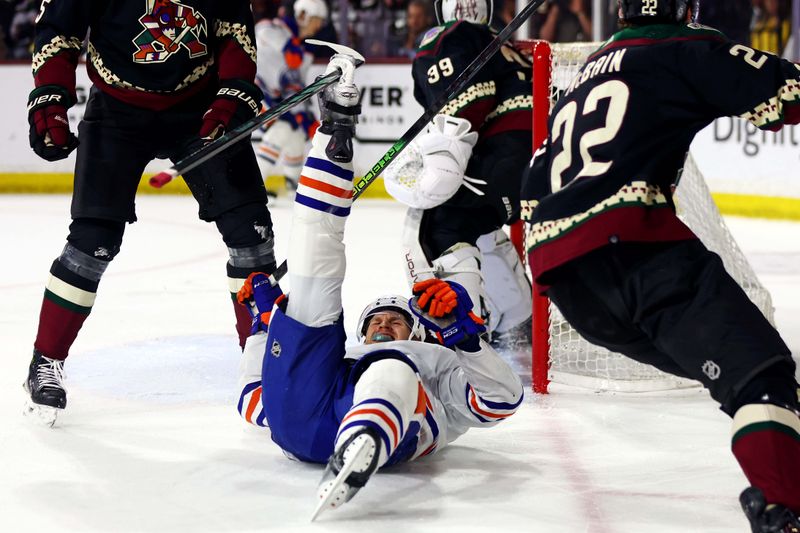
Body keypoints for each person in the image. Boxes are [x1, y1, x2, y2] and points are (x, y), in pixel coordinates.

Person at [521, 1, 800, 530]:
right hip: (638, 255)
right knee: (760, 376)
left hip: (570, 287)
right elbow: (787, 95)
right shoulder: (685, 48)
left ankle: (782, 460)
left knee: (740, 381)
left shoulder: (585, 74)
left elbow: (533, 189)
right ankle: (785, 506)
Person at [235, 51, 523, 517]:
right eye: (378, 322)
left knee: (393, 371)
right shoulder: (344, 355)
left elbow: (501, 402)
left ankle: (359, 446)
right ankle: (335, 127)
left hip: (384, 427)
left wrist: (464, 340)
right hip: (303, 417)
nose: (386, 325)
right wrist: (267, 328)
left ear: (418, 332)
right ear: (361, 332)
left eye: (396, 321)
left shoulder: (435, 362)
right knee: (312, 273)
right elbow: (256, 402)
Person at [24, 0, 275, 426]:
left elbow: (234, 31)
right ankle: (45, 359)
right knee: (92, 242)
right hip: (117, 111)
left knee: (250, 234)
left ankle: (265, 360)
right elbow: (58, 31)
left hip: (201, 106)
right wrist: (49, 97)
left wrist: (232, 93)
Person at [386, 0, 534, 347]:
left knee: (433, 224)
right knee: (479, 224)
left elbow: (462, 110)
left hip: (504, 160)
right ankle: (518, 320)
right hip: (535, 164)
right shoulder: (505, 43)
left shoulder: (447, 37)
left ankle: (461, 333)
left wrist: (444, 155)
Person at [254, 0, 328, 193]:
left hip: (274, 99)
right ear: (303, 15)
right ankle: (255, 186)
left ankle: (292, 181)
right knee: (282, 129)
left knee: (296, 131)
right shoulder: (276, 29)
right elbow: (260, 31)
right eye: (317, 19)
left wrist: (305, 115)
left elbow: (295, 87)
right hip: (252, 92)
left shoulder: (303, 53)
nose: (319, 25)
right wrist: (285, 44)